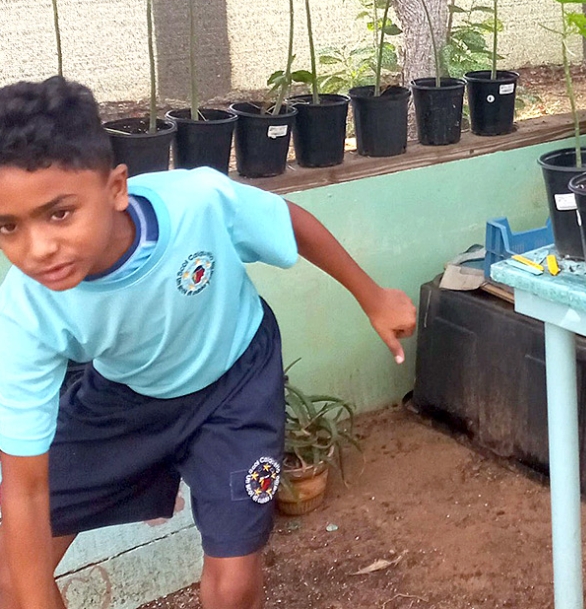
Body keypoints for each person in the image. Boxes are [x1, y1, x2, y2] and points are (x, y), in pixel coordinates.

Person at [0, 77, 417, 609]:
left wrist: (373, 296)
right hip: (127, 398)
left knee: (234, 584)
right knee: (14, 579)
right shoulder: (24, 312)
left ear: (116, 189)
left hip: (235, 382)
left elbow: (287, 221)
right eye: (8, 226)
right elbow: (26, 488)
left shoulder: (197, 202)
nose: (38, 249)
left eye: (60, 213)